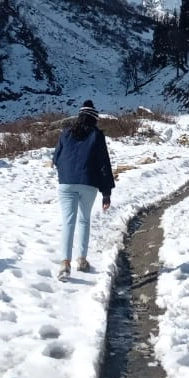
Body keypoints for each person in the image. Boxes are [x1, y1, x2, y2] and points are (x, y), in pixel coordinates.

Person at [51, 100, 115, 282]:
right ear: (94, 119)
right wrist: (106, 193)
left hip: (66, 183)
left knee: (68, 222)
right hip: (89, 183)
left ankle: (65, 264)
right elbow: (103, 164)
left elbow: (56, 158)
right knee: (84, 220)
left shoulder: (66, 133)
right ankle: (82, 260)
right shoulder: (97, 135)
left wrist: (65, 172)